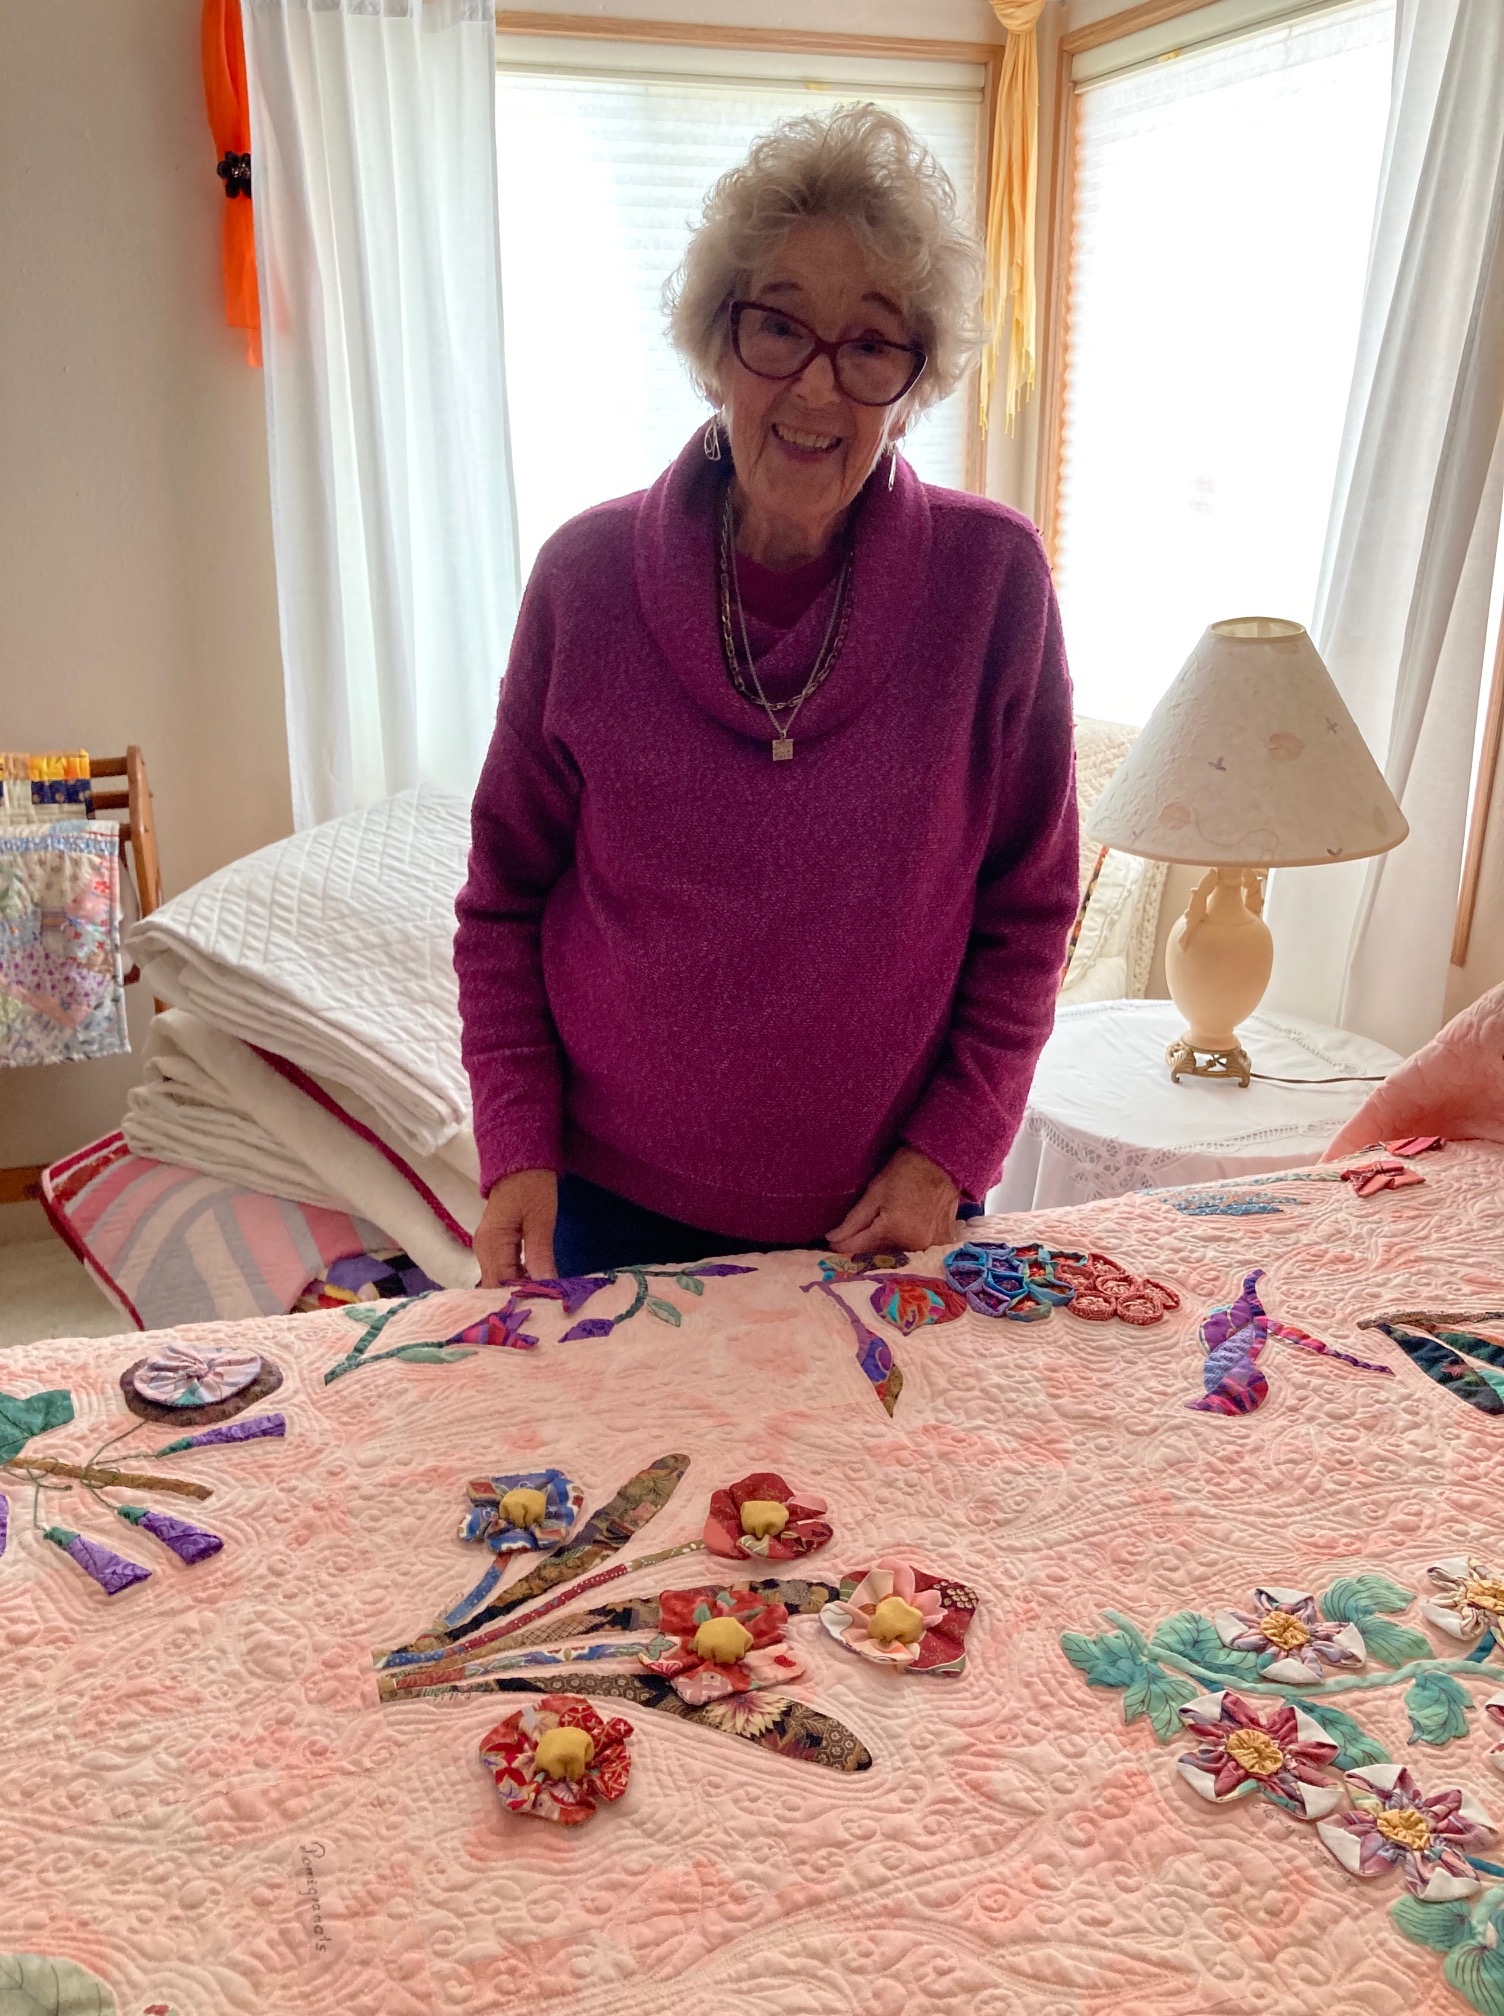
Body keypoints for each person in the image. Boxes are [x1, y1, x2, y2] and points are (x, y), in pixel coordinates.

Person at [455, 103, 1078, 1285]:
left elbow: (1029, 910)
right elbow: (502, 902)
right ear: (714, 342)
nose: (815, 388)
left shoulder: (991, 583)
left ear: (915, 380)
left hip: (887, 1212)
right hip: (612, 1201)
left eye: (870, 344)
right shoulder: (583, 582)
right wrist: (517, 1145)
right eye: (777, 328)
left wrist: (949, 1152)